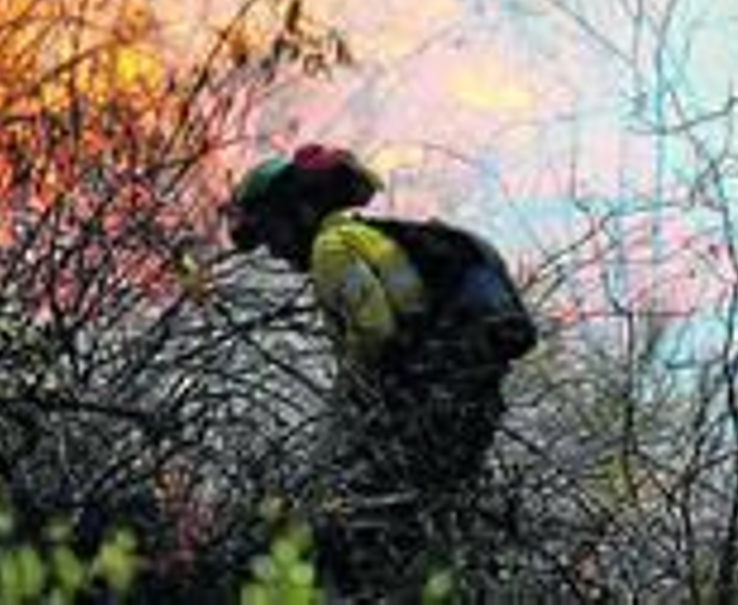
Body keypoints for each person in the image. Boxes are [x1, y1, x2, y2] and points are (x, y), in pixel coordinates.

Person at [227, 144, 535, 597]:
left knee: (367, 531)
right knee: (433, 529)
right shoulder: (374, 236)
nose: (272, 249)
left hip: (426, 411)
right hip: (465, 404)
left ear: (295, 211)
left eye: (269, 231)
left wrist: (347, 398)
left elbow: (375, 328)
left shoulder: (331, 248)